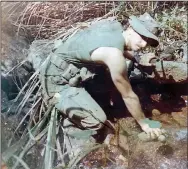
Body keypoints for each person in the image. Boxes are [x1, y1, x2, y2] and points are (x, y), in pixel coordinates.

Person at [39, 12, 165, 145]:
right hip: (56, 82)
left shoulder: (114, 27)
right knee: (99, 122)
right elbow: (128, 96)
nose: (144, 44)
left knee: (109, 83)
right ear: (131, 29)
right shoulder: (114, 55)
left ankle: (90, 98)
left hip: (66, 69)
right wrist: (145, 124)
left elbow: (113, 46)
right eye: (142, 37)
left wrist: (136, 59)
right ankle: (69, 122)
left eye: (149, 41)